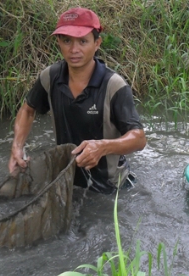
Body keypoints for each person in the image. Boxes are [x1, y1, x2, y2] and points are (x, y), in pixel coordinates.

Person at [8, 7, 146, 194]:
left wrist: (102, 147)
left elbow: (138, 138)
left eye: (83, 41)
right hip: (68, 181)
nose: (74, 50)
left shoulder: (113, 86)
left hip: (110, 189)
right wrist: (17, 147)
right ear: (58, 42)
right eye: (66, 41)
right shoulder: (50, 77)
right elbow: (28, 110)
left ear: (97, 43)